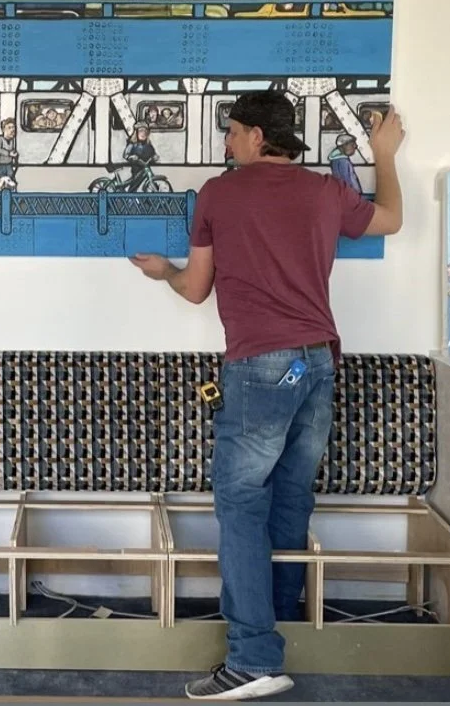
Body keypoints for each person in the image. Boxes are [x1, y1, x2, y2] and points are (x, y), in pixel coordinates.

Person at [129, 90, 405, 700]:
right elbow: (390, 219)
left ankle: (254, 659)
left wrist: (164, 272)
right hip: (320, 361)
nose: (226, 142)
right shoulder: (325, 192)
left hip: (260, 364)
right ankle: (280, 629)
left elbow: (196, 289)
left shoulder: (218, 194)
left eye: (232, 132)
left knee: (240, 505)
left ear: (257, 136)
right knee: (290, 496)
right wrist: (384, 154)